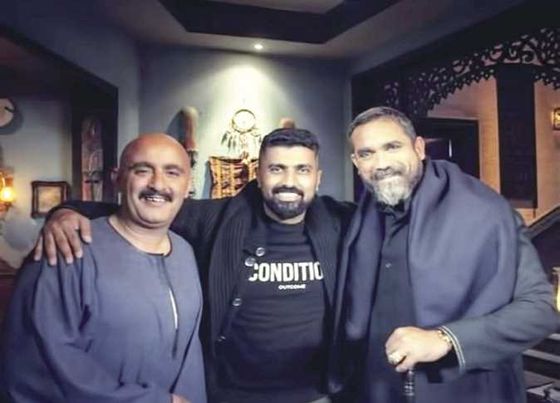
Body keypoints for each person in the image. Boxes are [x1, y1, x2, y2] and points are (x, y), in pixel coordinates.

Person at [33, 128, 355, 403]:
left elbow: (383, 216)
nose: (289, 181)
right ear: (258, 175)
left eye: (302, 170)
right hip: (229, 396)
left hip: (314, 396)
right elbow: (146, 204)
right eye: (277, 169)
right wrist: (66, 211)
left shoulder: (341, 222)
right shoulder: (217, 218)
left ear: (317, 178)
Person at [338, 106, 559, 403]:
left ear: (419, 148)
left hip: (467, 392)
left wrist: (445, 339)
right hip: (378, 390)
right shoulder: (360, 216)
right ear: (356, 162)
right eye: (367, 153)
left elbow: (540, 310)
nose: (382, 164)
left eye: (392, 147)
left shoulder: (485, 212)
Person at [0, 134, 206, 403]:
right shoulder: (67, 248)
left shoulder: (185, 252)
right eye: (142, 170)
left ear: (188, 185)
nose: (157, 184)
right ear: (117, 178)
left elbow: (189, 353)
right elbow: (38, 363)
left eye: (172, 172)